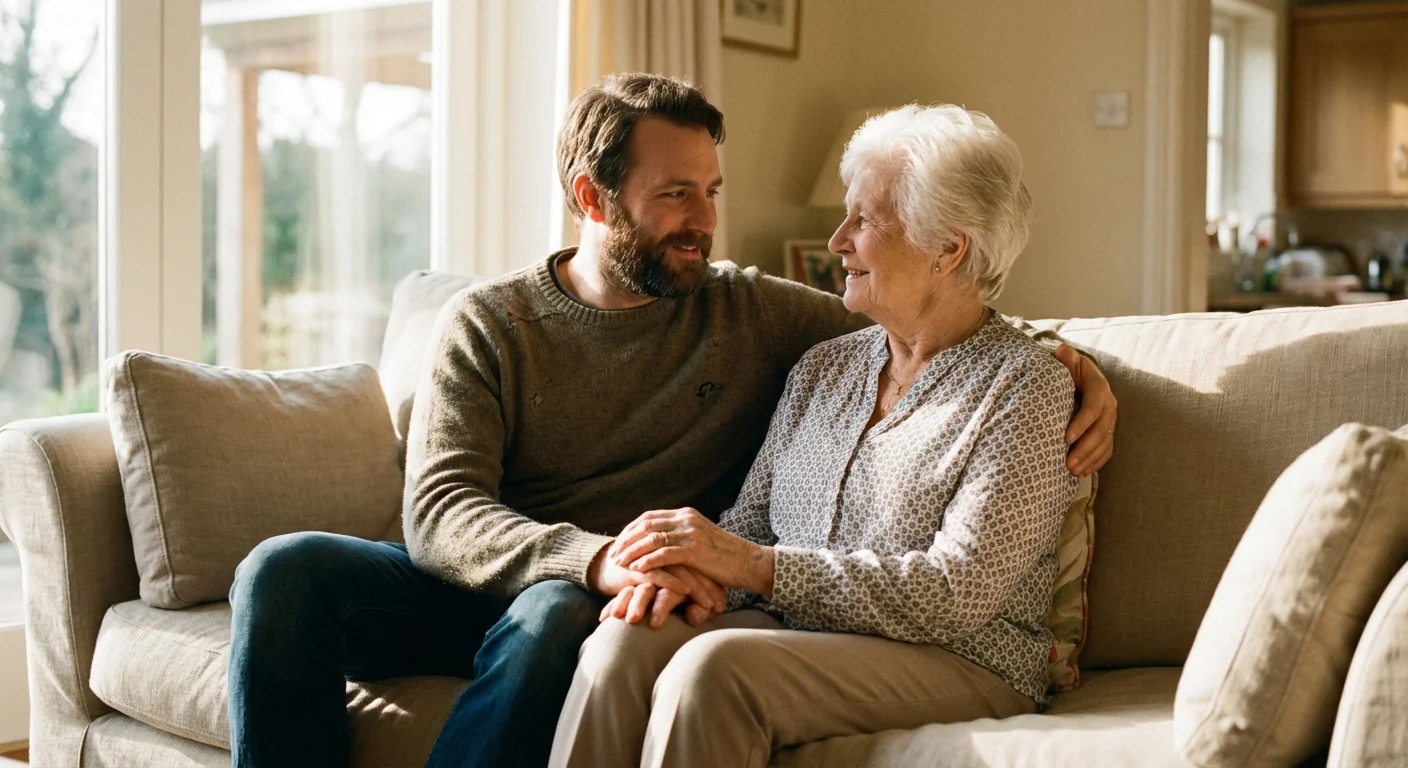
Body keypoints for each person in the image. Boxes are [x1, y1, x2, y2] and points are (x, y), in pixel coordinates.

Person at [226, 75, 1116, 768]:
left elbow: (957, 327)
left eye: (712, 191)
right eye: (675, 196)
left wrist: (1070, 363)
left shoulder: (759, 314)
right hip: (532, 574)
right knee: (286, 571)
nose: (707, 223)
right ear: (594, 196)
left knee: (585, 630)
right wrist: (611, 560)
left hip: (590, 604)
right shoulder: (490, 322)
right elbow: (443, 514)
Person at [550, 104, 1077, 768]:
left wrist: (750, 567)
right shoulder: (826, 365)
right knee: (622, 640)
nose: (837, 241)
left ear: (949, 247)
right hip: (806, 634)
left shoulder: (1024, 386)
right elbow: (751, 526)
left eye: (865, 219)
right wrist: (686, 577)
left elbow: (956, 592)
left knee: (716, 669)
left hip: (962, 656)